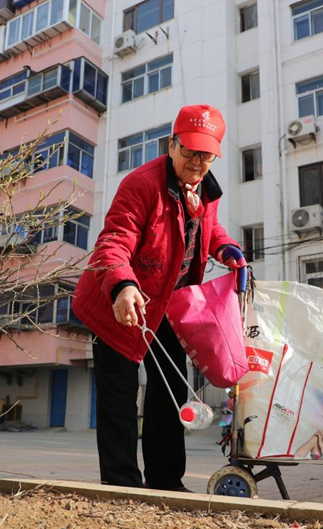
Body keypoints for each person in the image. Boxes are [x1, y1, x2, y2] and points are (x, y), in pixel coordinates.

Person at [72, 105, 244, 492]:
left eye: (207, 155)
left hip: (166, 305)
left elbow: (209, 230)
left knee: (170, 389)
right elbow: (113, 241)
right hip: (115, 303)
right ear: (172, 145)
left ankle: (166, 479)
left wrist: (227, 248)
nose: (197, 163)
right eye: (189, 152)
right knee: (119, 395)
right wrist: (122, 286)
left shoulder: (205, 190)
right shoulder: (142, 184)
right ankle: (121, 484)